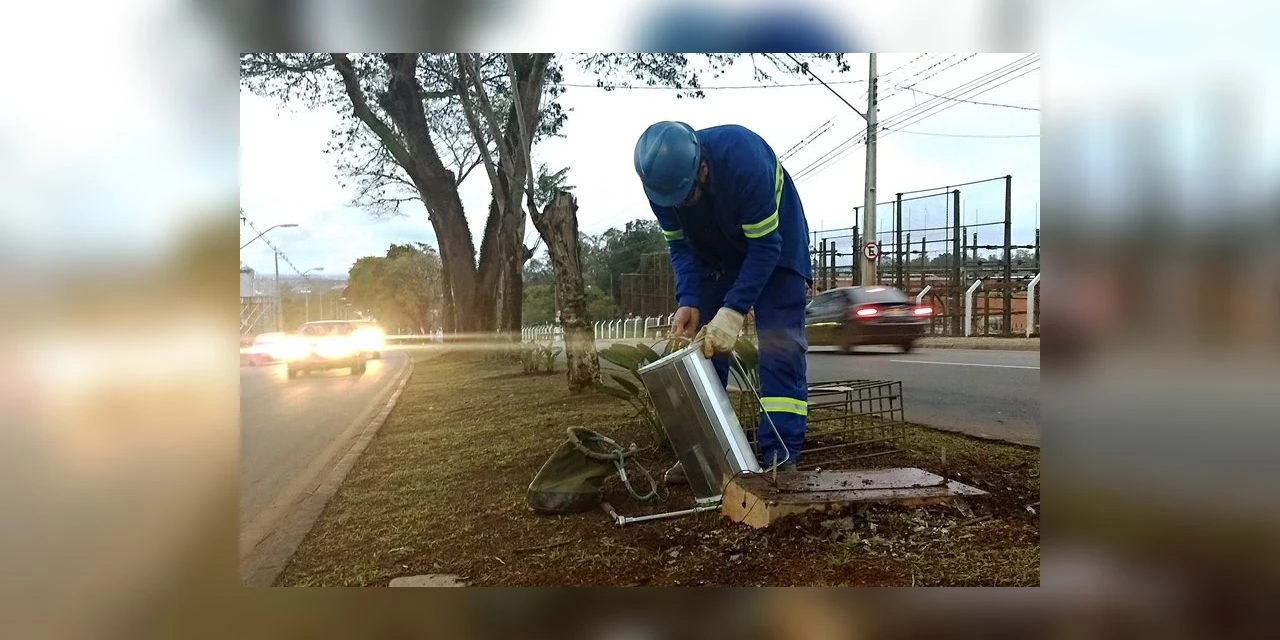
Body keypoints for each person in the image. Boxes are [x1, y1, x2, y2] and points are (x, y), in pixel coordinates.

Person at [632, 121, 813, 479]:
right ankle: (711, 452)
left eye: (686, 197)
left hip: (777, 247)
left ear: (702, 167)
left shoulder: (744, 160)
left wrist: (733, 311)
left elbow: (765, 247)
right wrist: (689, 299)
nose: (680, 206)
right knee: (703, 349)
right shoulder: (662, 187)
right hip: (716, 254)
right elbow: (680, 247)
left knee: (780, 347)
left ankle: (780, 455)